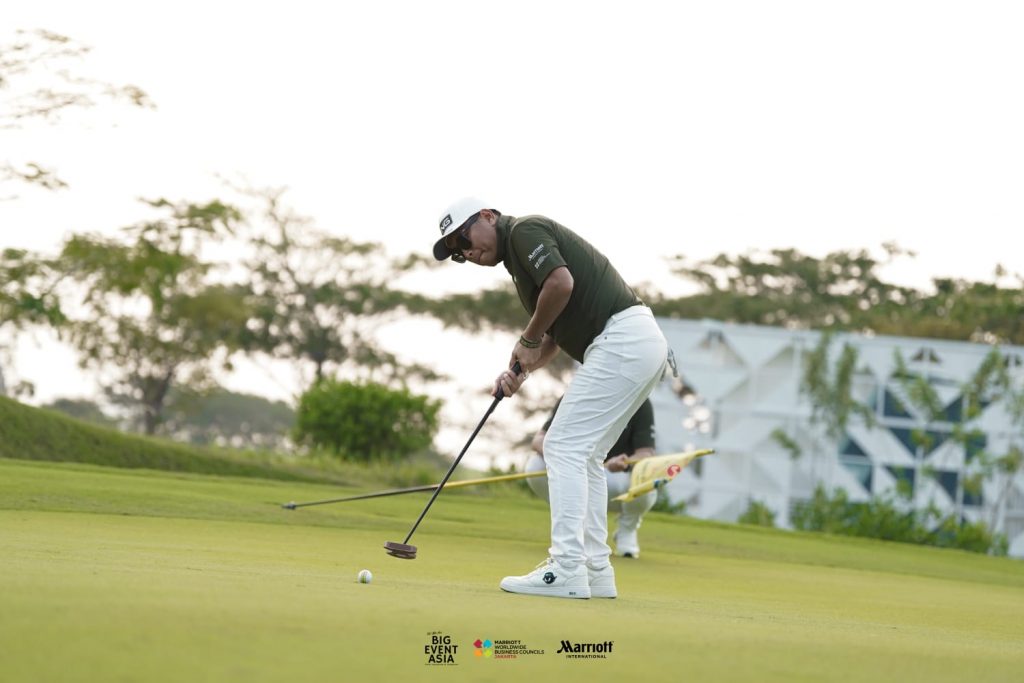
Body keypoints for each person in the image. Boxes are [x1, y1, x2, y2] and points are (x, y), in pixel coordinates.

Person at [432, 198, 670, 600]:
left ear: (488, 216)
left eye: (464, 239)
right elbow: (554, 336)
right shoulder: (519, 265)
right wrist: (521, 371)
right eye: (457, 252)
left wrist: (527, 340)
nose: (466, 252)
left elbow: (561, 284)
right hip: (636, 343)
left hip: (622, 339)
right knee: (587, 455)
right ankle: (595, 569)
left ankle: (566, 567)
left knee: (561, 445)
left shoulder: (523, 230)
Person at [526, 397, 658, 559]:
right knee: (536, 465)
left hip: (615, 477)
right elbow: (539, 439)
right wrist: (563, 457)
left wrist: (626, 462)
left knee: (646, 478)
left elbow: (646, 454)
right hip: (574, 471)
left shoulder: (639, 399)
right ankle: (574, 524)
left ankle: (627, 528)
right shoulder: (576, 393)